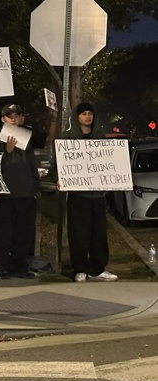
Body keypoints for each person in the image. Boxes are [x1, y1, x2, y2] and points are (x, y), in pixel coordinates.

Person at [58, 102, 118, 282]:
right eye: (84, 113)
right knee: (79, 234)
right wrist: (59, 178)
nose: (87, 117)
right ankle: (80, 268)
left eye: (90, 113)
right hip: (78, 195)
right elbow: (59, 164)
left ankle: (98, 268)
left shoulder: (99, 136)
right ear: (77, 117)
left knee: (98, 233)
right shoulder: (68, 137)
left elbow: (108, 162)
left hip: (97, 195)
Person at [0, 103, 39, 279]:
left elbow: (32, 164)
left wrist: (35, 187)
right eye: (10, 116)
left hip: (26, 193)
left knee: (24, 232)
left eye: (16, 116)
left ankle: (20, 265)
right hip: (6, 194)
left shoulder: (25, 137)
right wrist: (7, 152)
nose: (14, 119)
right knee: (4, 233)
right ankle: (2, 265)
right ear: (3, 119)